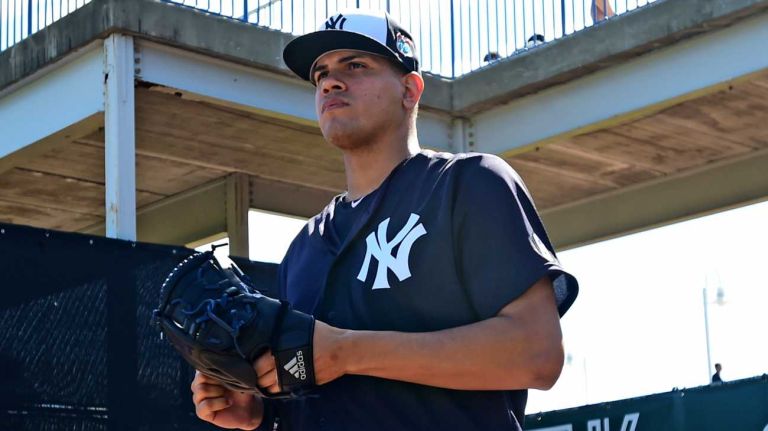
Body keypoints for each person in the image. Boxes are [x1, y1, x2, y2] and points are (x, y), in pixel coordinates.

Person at [190, 9, 578, 431]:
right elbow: (319, 392)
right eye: (320, 73)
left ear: (410, 90)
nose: (330, 82)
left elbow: (537, 354)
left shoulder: (467, 184)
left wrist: (347, 352)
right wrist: (259, 413)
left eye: (355, 65)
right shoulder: (304, 247)